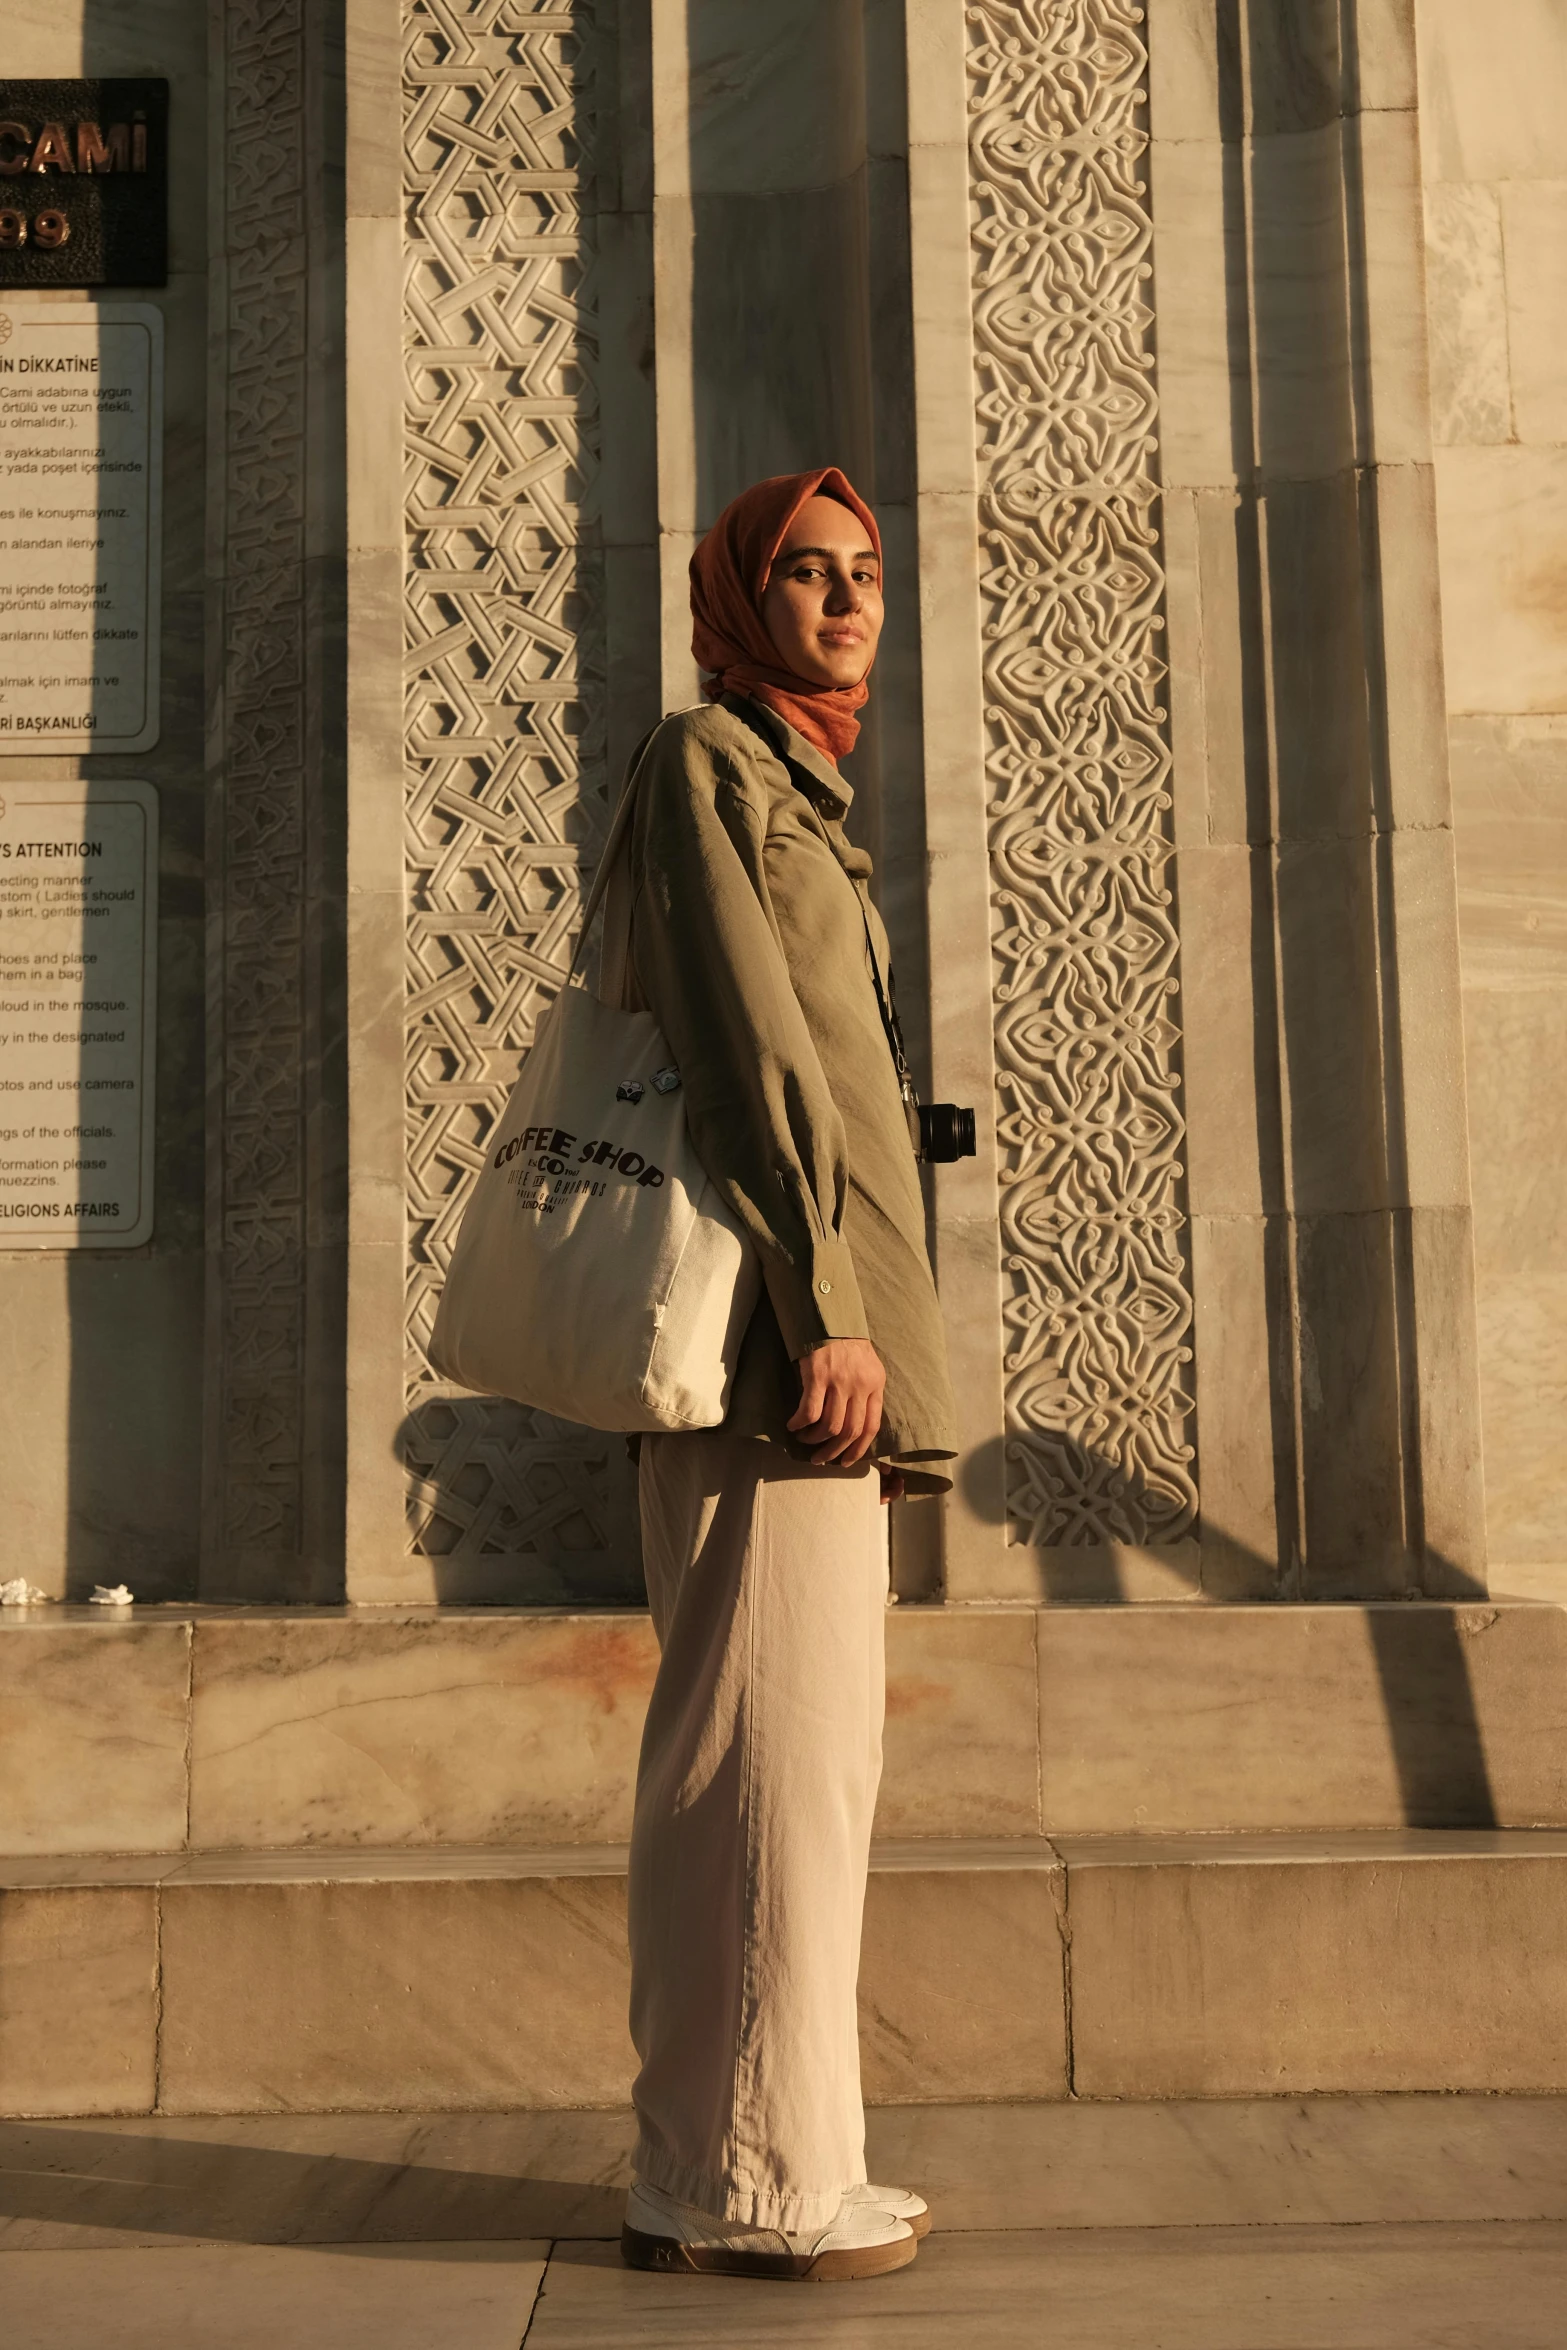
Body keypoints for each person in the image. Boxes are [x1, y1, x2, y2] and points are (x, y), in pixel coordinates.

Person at [614, 468, 958, 2284]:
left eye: (865, 574)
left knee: (800, 1760)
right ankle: (738, 2180)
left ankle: (771, 2144)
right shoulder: (709, 767)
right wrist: (828, 1309)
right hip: (780, 1354)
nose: (843, 602)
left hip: (825, 1346)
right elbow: (753, 1061)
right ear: (741, 597)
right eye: (806, 575)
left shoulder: (802, 791)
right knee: (763, 1762)